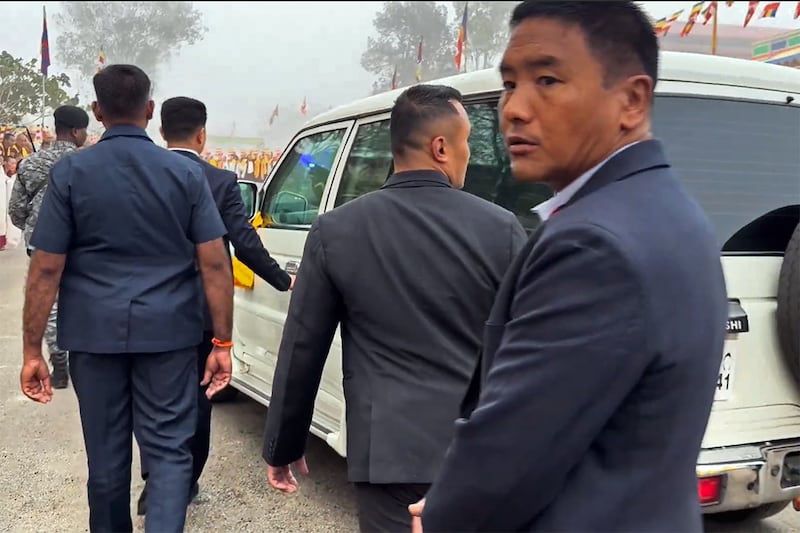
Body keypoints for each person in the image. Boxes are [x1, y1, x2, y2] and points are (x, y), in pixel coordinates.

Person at [410, 3, 728, 532]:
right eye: (510, 84)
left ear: (631, 99)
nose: (513, 108)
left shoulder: (593, 245)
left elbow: (513, 450)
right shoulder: (672, 211)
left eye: (548, 79)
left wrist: (445, 516)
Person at [262, 84, 527, 533]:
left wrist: (283, 445)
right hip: (477, 454)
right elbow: (523, 350)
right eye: (466, 143)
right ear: (441, 147)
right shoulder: (501, 229)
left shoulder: (336, 231)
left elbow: (302, 348)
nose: (468, 155)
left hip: (387, 458)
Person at [19, 64, 234, 533]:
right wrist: (221, 343)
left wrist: (33, 349)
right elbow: (215, 264)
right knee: (171, 453)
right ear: (150, 110)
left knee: (106, 456)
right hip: (170, 335)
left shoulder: (71, 171)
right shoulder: (183, 173)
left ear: (97, 112)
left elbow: (46, 267)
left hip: (94, 338)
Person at [135, 96, 295, 515]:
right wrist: (283, 279)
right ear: (202, 135)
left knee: (155, 400)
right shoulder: (221, 181)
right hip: (204, 313)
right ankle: (185, 482)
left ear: (162, 131)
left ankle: (155, 480)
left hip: (149, 310)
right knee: (198, 399)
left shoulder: (144, 175)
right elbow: (244, 243)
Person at [9, 105, 90, 389]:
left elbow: (16, 209)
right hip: (81, 243)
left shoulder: (30, 163)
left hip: (41, 243)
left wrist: (32, 228)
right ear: (77, 131)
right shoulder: (88, 162)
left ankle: (58, 356)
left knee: (50, 303)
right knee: (82, 298)